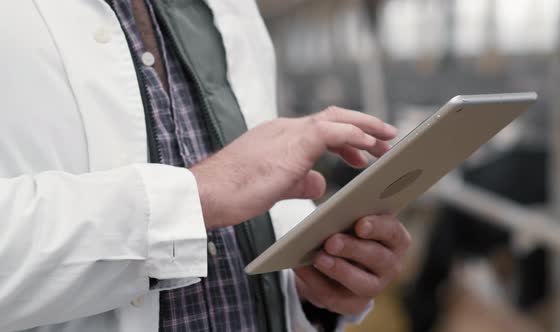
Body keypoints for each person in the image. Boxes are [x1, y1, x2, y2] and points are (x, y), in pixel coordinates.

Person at [0, 1, 411, 331]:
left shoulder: (235, 9)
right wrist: (198, 196)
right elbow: (227, 184)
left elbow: (257, 200)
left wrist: (313, 280)